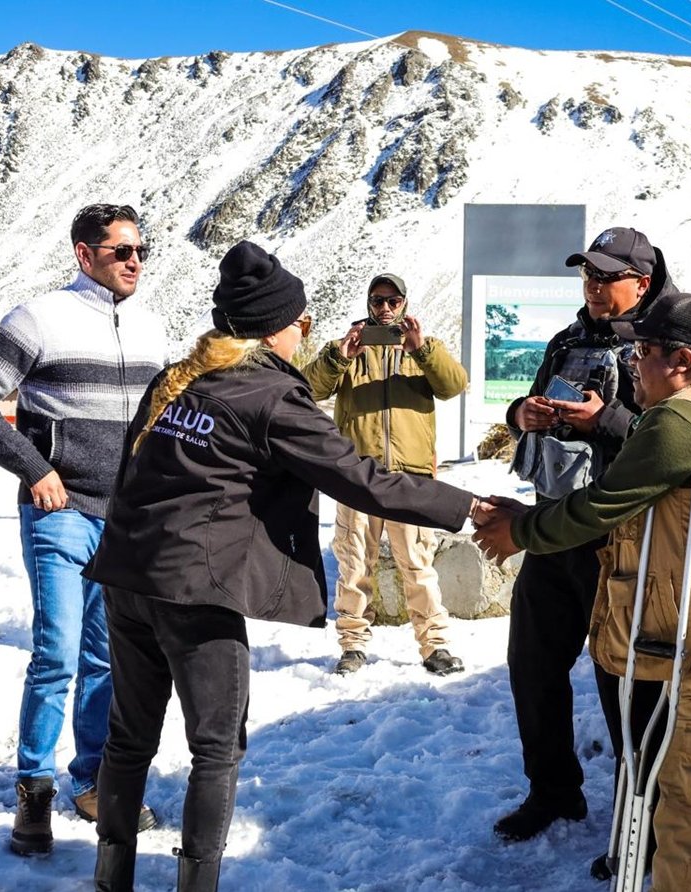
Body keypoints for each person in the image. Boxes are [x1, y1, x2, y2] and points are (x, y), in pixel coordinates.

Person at [81, 241, 492, 892]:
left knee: (129, 739)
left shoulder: (182, 377)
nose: (305, 333)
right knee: (216, 748)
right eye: (301, 322)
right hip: (195, 586)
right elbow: (362, 479)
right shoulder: (270, 392)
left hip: (127, 574)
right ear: (279, 326)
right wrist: (467, 504)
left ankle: (112, 879)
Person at [474, 291, 691, 892]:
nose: (632, 362)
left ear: (683, 358)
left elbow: (603, 504)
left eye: (643, 352)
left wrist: (521, 532)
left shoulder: (681, 419)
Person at [0, 203, 166, 856]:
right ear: (84, 253)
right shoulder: (39, 317)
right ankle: (32, 794)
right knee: (58, 652)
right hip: (59, 512)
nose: (134, 261)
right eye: (121, 250)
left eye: (140, 251)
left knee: (108, 658)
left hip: (125, 519)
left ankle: (96, 782)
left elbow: (163, 421)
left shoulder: (154, 329)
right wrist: (35, 467)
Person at [492, 226, 676, 843]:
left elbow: (674, 443)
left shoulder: (668, 346)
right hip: (552, 528)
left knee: (624, 684)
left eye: (607, 277)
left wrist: (608, 421)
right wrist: (524, 414)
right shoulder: (569, 340)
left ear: (642, 283)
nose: (594, 287)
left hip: (621, 544)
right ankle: (552, 792)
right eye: (588, 276)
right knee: (533, 666)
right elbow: (525, 407)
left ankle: (641, 822)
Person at [302, 272, 469, 676]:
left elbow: (454, 385)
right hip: (356, 474)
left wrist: (422, 348)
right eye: (378, 301)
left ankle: (435, 646)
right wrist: (340, 356)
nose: (386, 308)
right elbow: (307, 388)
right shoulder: (347, 349)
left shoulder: (424, 349)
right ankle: (353, 645)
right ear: (368, 304)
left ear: (405, 303)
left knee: (417, 564)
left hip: (410, 476)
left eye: (393, 301)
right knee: (355, 564)